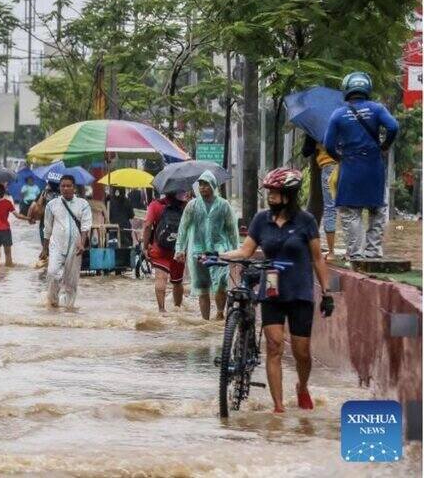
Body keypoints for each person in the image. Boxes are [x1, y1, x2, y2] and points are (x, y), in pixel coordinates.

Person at [218, 168, 334, 413]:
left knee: (302, 352)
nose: (270, 196)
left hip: (300, 289)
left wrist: (327, 292)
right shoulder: (261, 220)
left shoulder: (306, 221)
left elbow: (317, 259)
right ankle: (278, 407)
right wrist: (218, 255)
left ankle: (302, 386)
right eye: (269, 192)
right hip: (271, 287)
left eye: (275, 192)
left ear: (289, 195)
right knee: (274, 346)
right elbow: (245, 251)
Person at [324, 71, 399, 259]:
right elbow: (393, 127)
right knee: (376, 208)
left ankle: (355, 253)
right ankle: (373, 251)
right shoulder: (377, 109)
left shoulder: (338, 114)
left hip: (350, 166)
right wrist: (385, 145)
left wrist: (339, 157)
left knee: (351, 211)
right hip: (374, 166)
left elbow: (328, 145)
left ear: (346, 89)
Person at [175, 170, 240, 320]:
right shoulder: (192, 205)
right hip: (197, 252)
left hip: (219, 251)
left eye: (206, 184)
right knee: (202, 288)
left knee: (221, 283)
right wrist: (180, 249)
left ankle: (219, 312)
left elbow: (232, 230)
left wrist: (236, 252)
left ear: (213, 185)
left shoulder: (224, 205)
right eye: (200, 185)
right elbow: (183, 229)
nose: (203, 187)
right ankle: (205, 321)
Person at [42, 174, 92, 308]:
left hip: (75, 246)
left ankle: (69, 309)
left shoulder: (83, 204)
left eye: (68, 186)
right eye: (62, 186)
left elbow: (86, 226)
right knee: (52, 273)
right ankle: (53, 302)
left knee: (71, 280)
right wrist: (44, 249)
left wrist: (82, 242)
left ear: (74, 188)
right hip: (56, 244)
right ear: (59, 187)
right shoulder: (52, 205)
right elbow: (47, 228)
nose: (65, 188)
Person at [141, 189, 187, 313]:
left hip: (160, 248)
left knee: (161, 278)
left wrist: (145, 247)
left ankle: (161, 310)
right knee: (177, 281)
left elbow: (147, 225)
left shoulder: (156, 205)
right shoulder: (187, 205)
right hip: (179, 249)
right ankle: (177, 309)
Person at [301, 132, 338, 257]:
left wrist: (317, 144)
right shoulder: (348, 117)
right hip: (349, 165)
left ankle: (332, 252)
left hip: (329, 166)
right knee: (349, 209)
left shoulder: (316, 125)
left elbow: (306, 151)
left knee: (330, 208)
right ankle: (353, 251)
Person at [0, 184, 28, 270]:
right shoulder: (8, 203)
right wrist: (28, 218)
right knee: (8, 254)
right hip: (5, 231)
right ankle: (7, 277)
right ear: (4, 193)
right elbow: (17, 216)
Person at [28, 178, 59, 269]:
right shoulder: (63, 194)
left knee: (46, 247)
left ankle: (46, 268)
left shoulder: (44, 193)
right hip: (59, 224)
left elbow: (34, 206)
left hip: (45, 223)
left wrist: (30, 218)